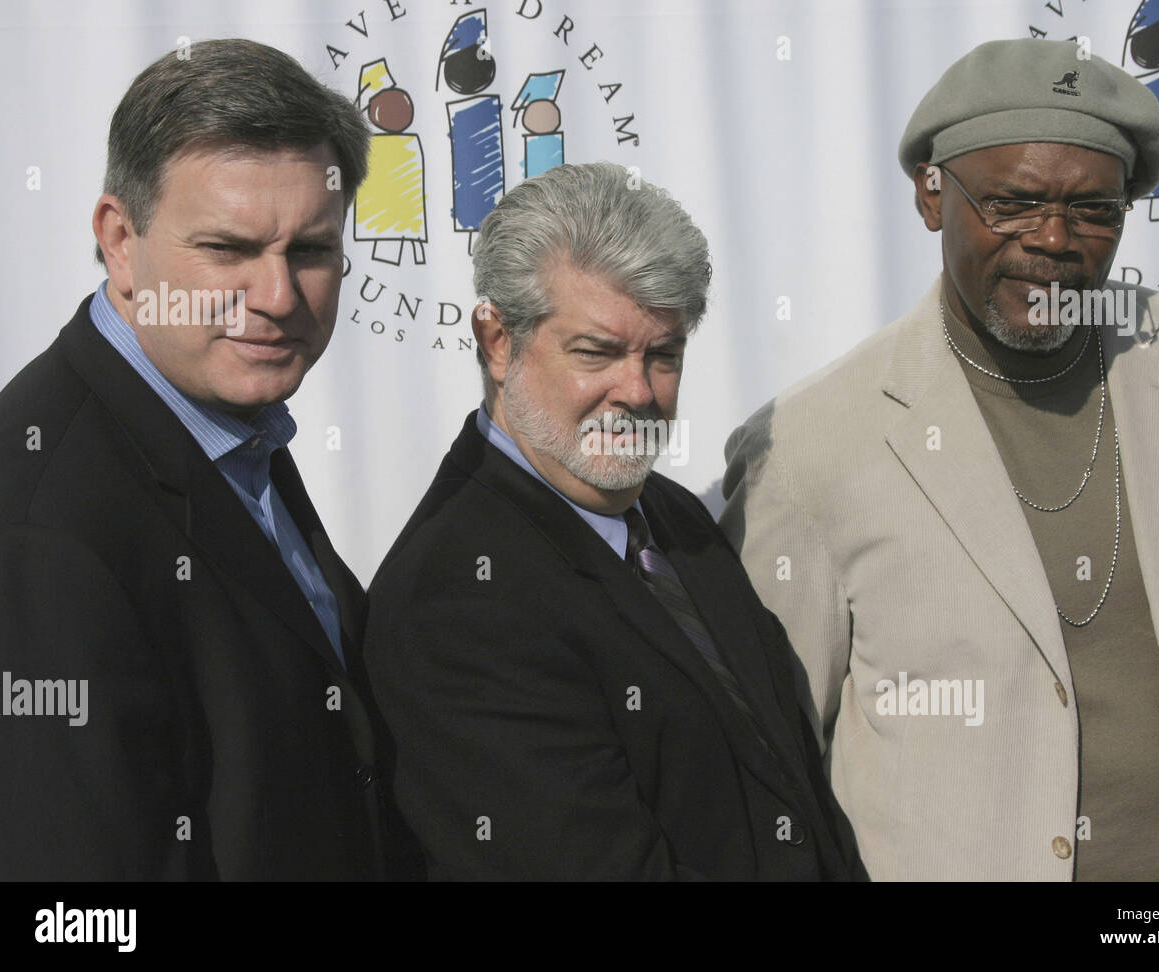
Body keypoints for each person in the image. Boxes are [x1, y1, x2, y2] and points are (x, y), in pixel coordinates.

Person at [721, 38, 1159, 881]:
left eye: (1093, 211)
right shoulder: (807, 444)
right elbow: (769, 752)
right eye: (1013, 204)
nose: (1054, 239)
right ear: (932, 196)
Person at [364, 162, 864, 880]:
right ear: (498, 340)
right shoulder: (456, 602)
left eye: (664, 355)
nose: (637, 391)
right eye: (596, 352)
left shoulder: (673, 516)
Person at [0, 39, 402, 879]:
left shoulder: (226, 422)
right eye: (228, 250)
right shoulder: (42, 527)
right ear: (120, 241)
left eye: (311, 252)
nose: (278, 298)